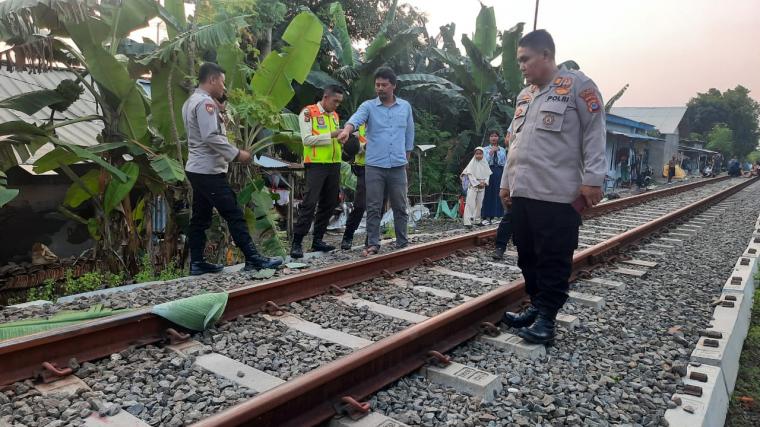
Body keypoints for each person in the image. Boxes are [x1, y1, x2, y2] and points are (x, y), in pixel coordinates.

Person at [500, 30, 606, 345]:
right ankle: (537, 304)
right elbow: (514, 143)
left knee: (553, 257)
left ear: (546, 55)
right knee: (526, 256)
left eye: (525, 59)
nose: (521, 66)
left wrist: (593, 179)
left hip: (558, 195)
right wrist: (506, 184)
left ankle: (547, 318)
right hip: (523, 192)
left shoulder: (578, 87)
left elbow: (595, 133)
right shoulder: (524, 96)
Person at [183, 63, 282, 275]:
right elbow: (211, 136)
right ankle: (253, 258)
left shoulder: (193, 101)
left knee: (200, 218)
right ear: (212, 80)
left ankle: (197, 263)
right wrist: (238, 154)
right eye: (222, 82)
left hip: (198, 168)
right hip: (208, 171)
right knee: (234, 213)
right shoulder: (205, 104)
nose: (223, 87)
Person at [337, 67, 415, 256]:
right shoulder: (368, 106)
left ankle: (402, 243)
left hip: (397, 165)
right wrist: (346, 130)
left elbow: (409, 133)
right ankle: (372, 243)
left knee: (400, 206)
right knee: (373, 206)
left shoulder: (405, 107)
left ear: (393, 86)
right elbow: (355, 119)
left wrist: (407, 157)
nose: (380, 88)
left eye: (384, 85)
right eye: (377, 85)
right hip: (374, 165)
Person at [291, 85, 346, 259]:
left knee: (329, 203)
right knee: (309, 202)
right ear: (325, 97)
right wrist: (331, 135)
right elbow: (307, 140)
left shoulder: (335, 116)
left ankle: (318, 240)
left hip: (334, 164)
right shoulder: (309, 112)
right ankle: (297, 242)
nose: (337, 105)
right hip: (316, 164)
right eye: (335, 101)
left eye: (339, 102)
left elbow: (334, 139)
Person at [341, 125, 368, 250]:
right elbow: (348, 152)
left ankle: (372, 237)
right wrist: (362, 148)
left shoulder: (386, 125)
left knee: (379, 205)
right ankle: (348, 235)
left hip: (382, 167)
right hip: (363, 169)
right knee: (360, 205)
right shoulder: (358, 129)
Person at [492, 127, 513, 260]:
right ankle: (500, 246)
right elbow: (510, 163)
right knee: (510, 215)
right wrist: (505, 185)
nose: (507, 139)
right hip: (517, 174)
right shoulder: (521, 110)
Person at [461, 147, 491, 228]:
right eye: (477, 154)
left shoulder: (485, 163)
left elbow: (487, 174)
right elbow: (470, 174)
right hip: (473, 186)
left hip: (482, 186)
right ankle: (467, 222)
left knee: (479, 204)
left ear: (483, 154)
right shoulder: (472, 164)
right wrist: (477, 183)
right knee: (470, 203)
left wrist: (484, 182)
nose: (478, 155)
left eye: (480, 154)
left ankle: (477, 220)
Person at [481, 131, 507, 224]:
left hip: (499, 171)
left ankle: (496, 216)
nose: (493, 138)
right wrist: (491, 152)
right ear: (489, 138)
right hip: (488, 171)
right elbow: (484, 161)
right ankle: (485, 216)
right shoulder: (484, 149)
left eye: (495, 136)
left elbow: (505, 162)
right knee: (487, 193)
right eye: (492, 136)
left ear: (498, 138)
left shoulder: (503, 150)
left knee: (498, 192)